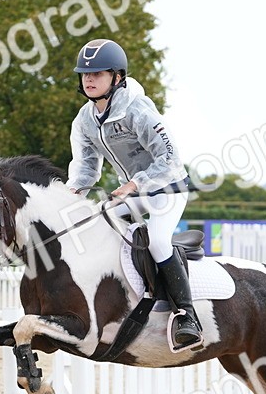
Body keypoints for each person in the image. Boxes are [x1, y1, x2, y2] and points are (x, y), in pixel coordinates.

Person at [65, 38, 202, 349]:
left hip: (167, 186)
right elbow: (86, 167)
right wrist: (73, 189)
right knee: (97, 227)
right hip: (132, 192)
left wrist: (136, 183)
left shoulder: (137, 109)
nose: (89, 79)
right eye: (85, 74)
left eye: (98, 74)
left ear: (117, 77)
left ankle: (186, 316)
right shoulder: (85, 120)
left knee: (157, 240)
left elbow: (168, 158)